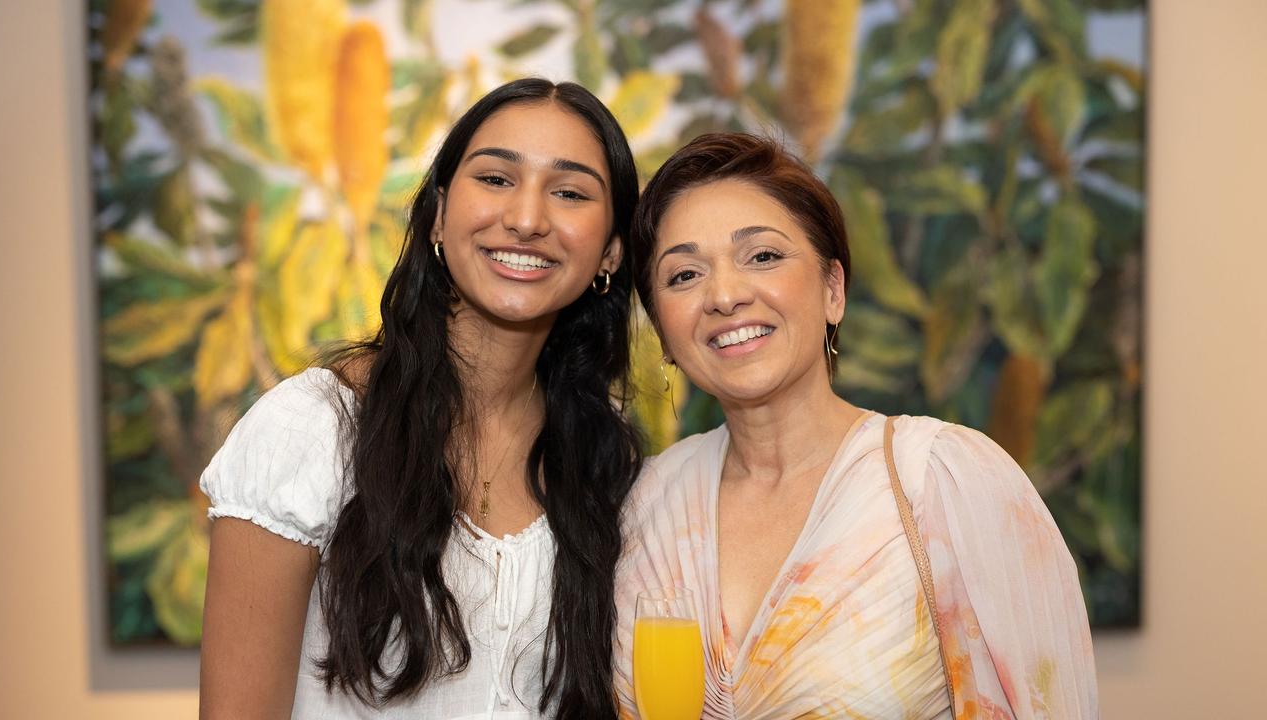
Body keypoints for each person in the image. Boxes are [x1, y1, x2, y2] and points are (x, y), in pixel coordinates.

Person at [199, 78, 642, 719]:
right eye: (495, 179)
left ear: (610, 252)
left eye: (570, 192)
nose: (526, 219)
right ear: (438, 213)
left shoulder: (603, 460)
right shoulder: (312, 429)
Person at [614, 133, 1097, 719]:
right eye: (684, 275)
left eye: (762, 256)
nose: (724, 295)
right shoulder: (645, 506)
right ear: (663, 331)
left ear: (833, 290)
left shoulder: (944, 482)